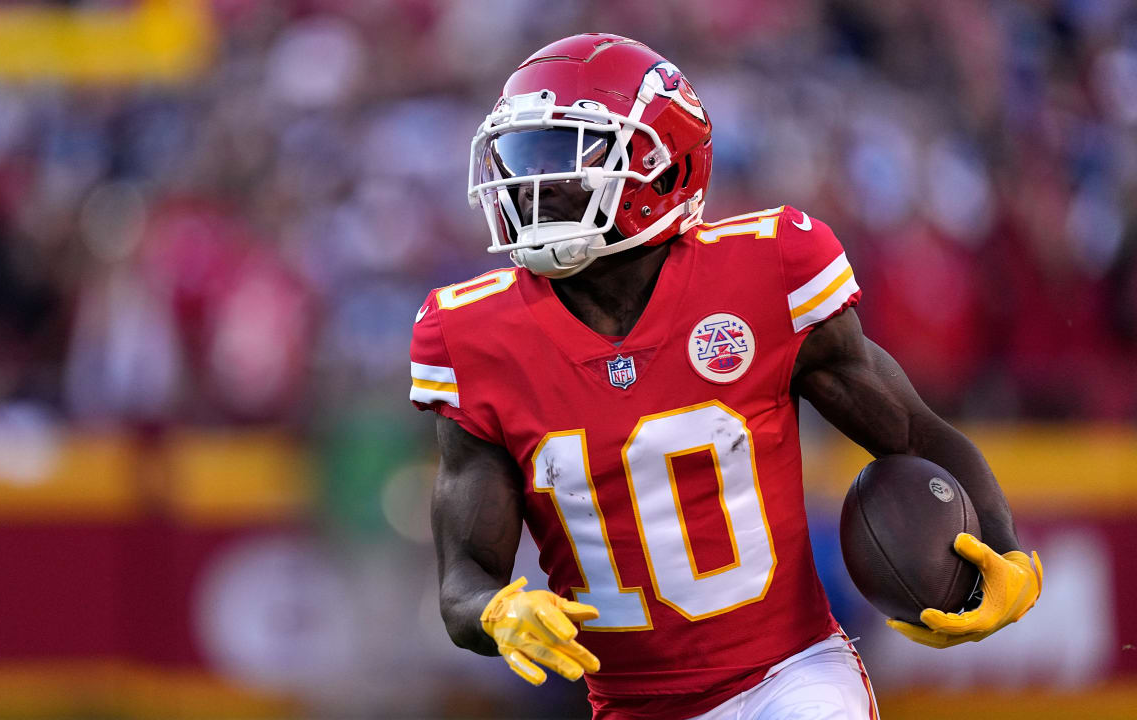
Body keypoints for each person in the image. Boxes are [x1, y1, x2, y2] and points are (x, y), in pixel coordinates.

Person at [410, 34, 1042, 720]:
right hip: (629, 706)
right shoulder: (472, 337)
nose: (532, 184)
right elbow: (464, 578)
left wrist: (1005, 549)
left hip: (792, 677)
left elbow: (913, 431)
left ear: (660, 166)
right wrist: (496, 611)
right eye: (522, 157)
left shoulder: (767, 271)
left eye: (564, 156)